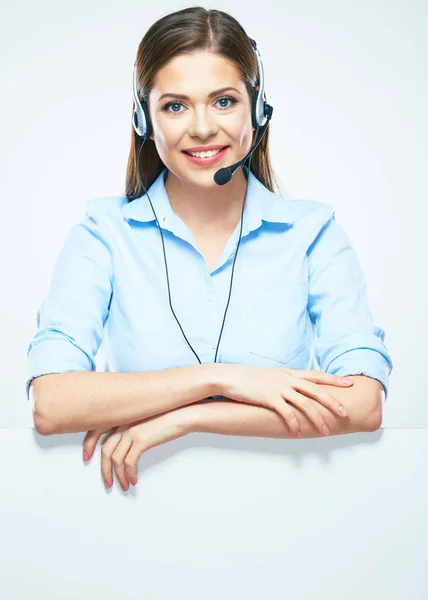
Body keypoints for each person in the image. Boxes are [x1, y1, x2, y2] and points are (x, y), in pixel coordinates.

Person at [26, 7, 393, 490]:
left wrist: (188, 420)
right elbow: (52, 403)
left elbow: (364, 404)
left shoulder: (313, 233)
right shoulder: (103, 234)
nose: (201, 128)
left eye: (223, 101)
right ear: (144, 118)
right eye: (175, 106)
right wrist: (215, 381)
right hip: (133, 517)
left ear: (257, 108)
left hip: (289, 511)